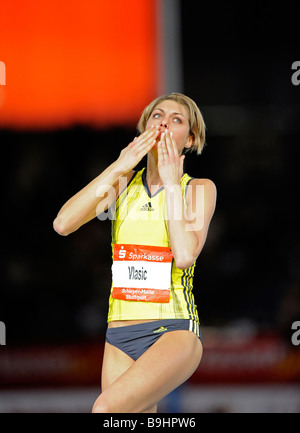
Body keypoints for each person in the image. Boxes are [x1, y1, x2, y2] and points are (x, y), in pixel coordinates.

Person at [53, 93, 217, 413]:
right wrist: (119, 166)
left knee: (106, 411)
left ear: (190, 139)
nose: (164, 124)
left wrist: (171, 184)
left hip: (173, 331)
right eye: (157, 116)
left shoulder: (197, 189)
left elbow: (185, 255)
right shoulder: (123, 183)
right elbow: (63, 224)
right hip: (119, 336)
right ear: (144, 128)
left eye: (176, 120)